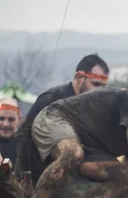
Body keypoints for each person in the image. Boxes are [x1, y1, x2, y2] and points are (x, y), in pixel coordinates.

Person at [14, 54, 110, 182]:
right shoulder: (52, 98)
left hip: (68, 181)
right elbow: (24, 132)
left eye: (104, 87)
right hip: (37, 176)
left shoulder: (93, 108)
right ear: (80, 78)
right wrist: (23, 173)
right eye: (96, 84)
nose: (100, 91)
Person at [0, 98, 21, 164]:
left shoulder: (25, 146)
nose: (5, 124)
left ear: (19, 119)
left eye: (11, 119)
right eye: (1, 118)